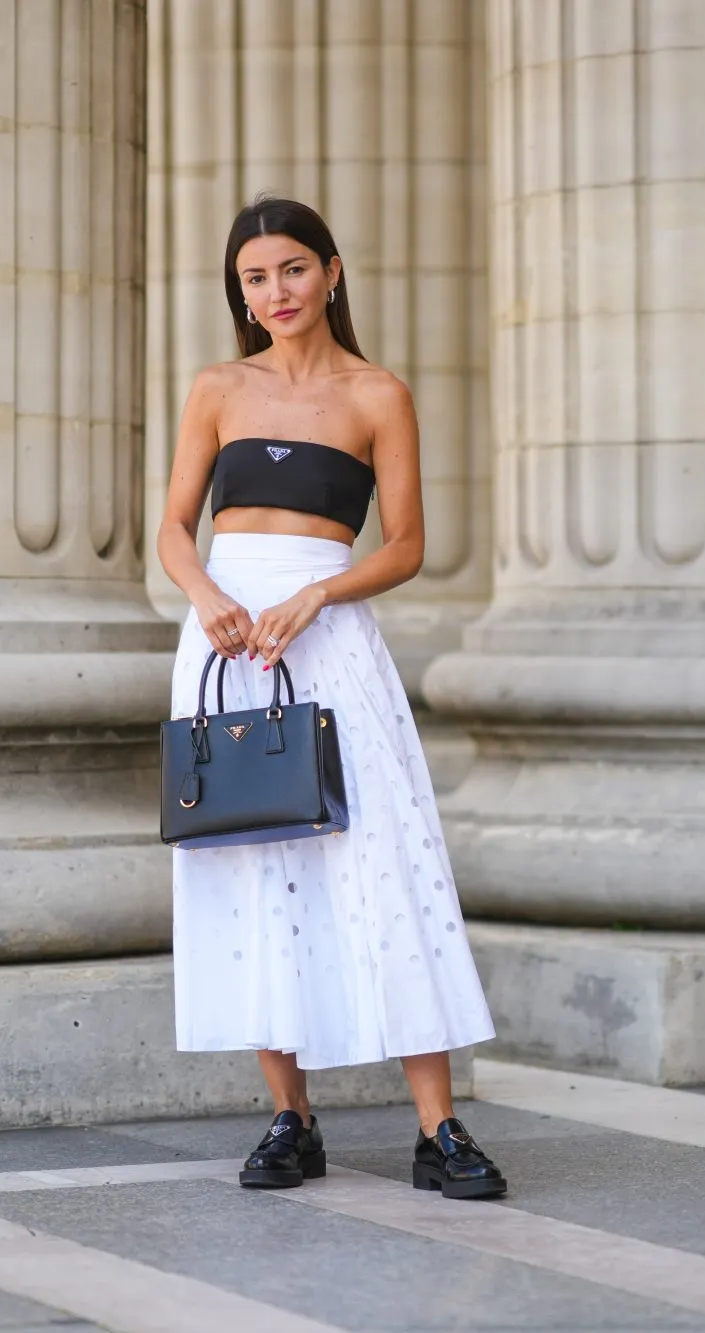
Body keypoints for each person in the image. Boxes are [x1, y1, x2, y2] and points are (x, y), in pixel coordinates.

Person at [155, 196, 506, 1200]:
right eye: (254, 277)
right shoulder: (217, 387)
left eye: (292, 270)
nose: (275, 292)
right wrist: (211, 596)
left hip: (331, 634)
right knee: (252, 856)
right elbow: (175, 529)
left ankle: (437, 1129)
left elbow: (406, 545)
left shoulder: (376, 393)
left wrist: (315, 592)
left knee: (384, 858)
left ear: (332, 271)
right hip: (226, 642)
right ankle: (288, 1117)